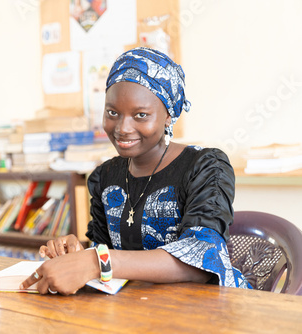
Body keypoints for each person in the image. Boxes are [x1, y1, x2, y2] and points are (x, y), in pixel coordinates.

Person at [20, 47, 251, 295]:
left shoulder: (206, 167)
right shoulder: (104, 177)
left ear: (168, 116)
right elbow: (105, 254)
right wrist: (79, 255)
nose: (122, 128)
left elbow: (203, 257)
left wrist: (97, 261)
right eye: (112, 113)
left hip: (209, 309)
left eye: (141, 115)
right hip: (136, 307)